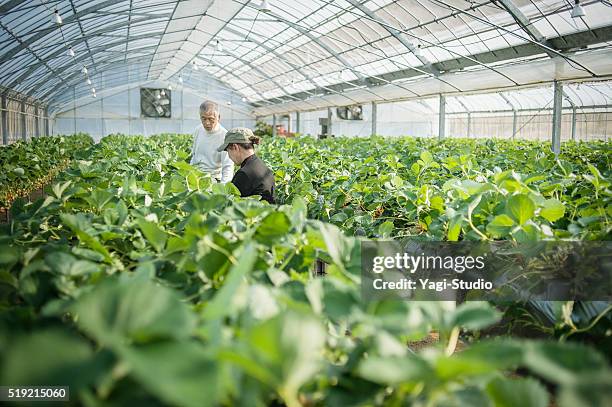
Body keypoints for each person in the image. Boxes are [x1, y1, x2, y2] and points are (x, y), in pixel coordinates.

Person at [217, 127, 275, 204]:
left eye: (228, 151)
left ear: (235, 147)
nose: (229, 156)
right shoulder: (261, 166)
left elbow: (230, 205)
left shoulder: (244, 173)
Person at [190, 101, 233, 183]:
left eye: (211, 119)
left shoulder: (225, 136)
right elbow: (194, 155)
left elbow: (228, 166)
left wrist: (223, 188)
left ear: (218, 117)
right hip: (195, 177)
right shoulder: (198, 130)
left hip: (214, 180)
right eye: (203, 118)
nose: (207, 123)